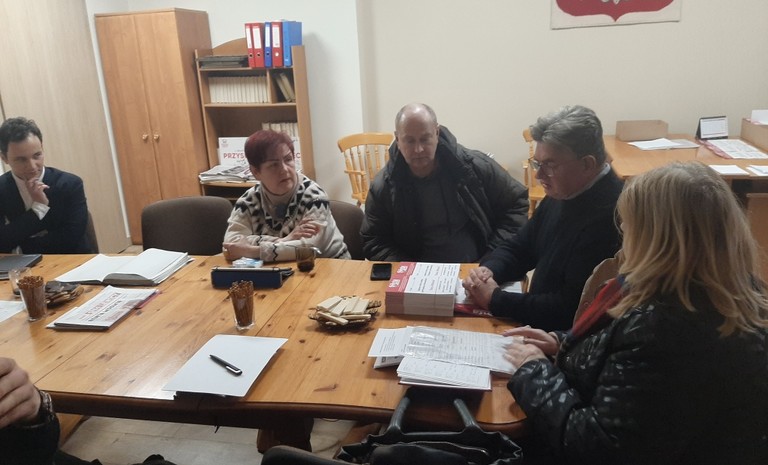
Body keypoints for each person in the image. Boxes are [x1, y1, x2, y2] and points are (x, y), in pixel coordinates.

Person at [504, 162, 768, 464]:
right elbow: (622, 354)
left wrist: (534, 370)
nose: (623, 232)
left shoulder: (668, 328)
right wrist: (561, 343)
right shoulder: (731, 290)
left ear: (657, 238)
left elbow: (594, 448)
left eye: (629, 223)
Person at [463, 105, 623, 331]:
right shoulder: (566, 191)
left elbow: (568, 308)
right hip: (537, 325)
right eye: (538, 163)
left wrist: (495, 299)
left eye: (550, 165)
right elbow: (522, 246)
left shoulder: (610, 218)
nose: (539, 175)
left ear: (587, 164)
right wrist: (489, 270)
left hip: (560, 339)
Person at [360, 103, 529, 263]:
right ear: (397, 139)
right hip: (415, 274)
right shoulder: (384, 185)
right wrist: (407, 270)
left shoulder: (473, 167)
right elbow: (374, 239)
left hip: (478, 267)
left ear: (437, 133)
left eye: (425, 139)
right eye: (410, 141)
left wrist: (492, 257)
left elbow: (516, 203)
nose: (418, 149)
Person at [222, 129, 350, 262]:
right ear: (255, 172)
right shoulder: (248, 201)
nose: (284, 169)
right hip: (278, 268)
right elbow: (231, 244)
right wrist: (284, 240)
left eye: (288, 159)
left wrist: (253, 251)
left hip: (330, 265)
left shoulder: (314, 195)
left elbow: (309, 247)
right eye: (274, 165)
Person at [0, 117, 92, 254]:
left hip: (73, 260)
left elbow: (71, 238)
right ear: (4, 158)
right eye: (21, 159)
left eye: (37, 155)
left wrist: (21, 246)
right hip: (20, 265)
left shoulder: (70, 184)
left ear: (42, 148)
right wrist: (39, 208)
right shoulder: (2, 189)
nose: (32, 166)